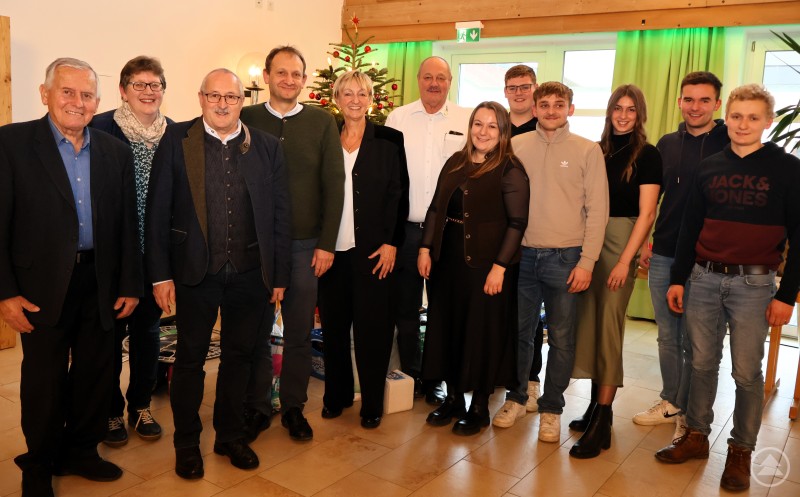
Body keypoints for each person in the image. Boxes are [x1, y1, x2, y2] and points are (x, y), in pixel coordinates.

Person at [0, 58, 141, 497]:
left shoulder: (115, 152)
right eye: (67, 92)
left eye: (87, 95)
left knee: (96, 374)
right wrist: (5, 293)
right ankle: (39, 463)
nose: (77, 102)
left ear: (98, 102)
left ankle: (81, 451)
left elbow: (126, 225)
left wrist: (130, 283)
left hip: (100, 282)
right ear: (45, 94)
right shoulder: (11, 143)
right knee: (43, 382)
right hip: (40, 287)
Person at [145, 68, 291, 479]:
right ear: (201, 98)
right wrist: (160, 276)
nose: (222, 104)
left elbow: (281, 215)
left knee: (239, 359)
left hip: (250, 272)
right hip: (195, 272)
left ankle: (229, 436)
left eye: (231, 97)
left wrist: (279, 276)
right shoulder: (176, 140)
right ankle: (186, 444)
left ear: (242, 100)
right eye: (214, 96)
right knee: (190, 360)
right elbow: (157, 211)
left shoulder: (266, 147)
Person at [655, 84, 800, 492]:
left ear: (767, 122)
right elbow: (690, 227)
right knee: (701, 363)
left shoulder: (788, 169)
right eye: (737, 116)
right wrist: (679, 278)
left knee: (746, 372)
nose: (743, 124)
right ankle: (696, 436)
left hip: (754, 284)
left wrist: (786, 295)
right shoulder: (710, 166)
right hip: (703, 278)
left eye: (753, 117)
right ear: (727, 118)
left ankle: (740, 450)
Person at [240, 46, 344, 442]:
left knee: (299, 331)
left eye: (296, 74)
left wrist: (327, 243)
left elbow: (335, 185)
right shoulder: (247, 117)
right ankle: (257, 405)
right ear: (267, 76)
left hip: (305, 245)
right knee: (257, 330)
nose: (288, 80)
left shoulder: (321, 122)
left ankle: (294, 407)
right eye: (281, 72)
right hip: (256, 247)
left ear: (304, 79)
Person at [498, 82, 609, 439]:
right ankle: (516, 397)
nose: (550, 111)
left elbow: (598, 211)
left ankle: (551, 408)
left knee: (561, 337)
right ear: (534, 109)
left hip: (566, 258)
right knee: (520, 333)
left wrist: (587, 262)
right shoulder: (515, 146)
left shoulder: (587, 150)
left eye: (558, 104)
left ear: (570, 109)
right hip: (523, 256)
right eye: (543, 105)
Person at [418, 101, 529, 436]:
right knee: (449, 328)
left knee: (482, 334)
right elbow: (435, 208)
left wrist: (499, 267)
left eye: (492, 126)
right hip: (448, 262)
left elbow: (517, 223)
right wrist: (425, 248)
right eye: (478, 124)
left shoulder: (510, 169)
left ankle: (479, 407)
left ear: (503, 131)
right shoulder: (456, 161)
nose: (483, 131)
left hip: (486, 266)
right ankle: (453, 399)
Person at [568, 85, 662, 458]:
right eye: (618, 108)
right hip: (589, 241)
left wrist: (626, 259)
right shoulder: (596, 150)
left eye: (631, 109)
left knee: (608, 327)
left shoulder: (648, 155)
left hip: (621, 242)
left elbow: (648, 213)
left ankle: (603, 418)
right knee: (589, 324)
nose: (623, 115)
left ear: (640, 115)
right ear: (609, 112)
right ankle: (594, 406)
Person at [635, 72, 730, 435]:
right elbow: (654, 198)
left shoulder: (729, 142)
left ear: (717, 104)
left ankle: (692, 412)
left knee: (698, 342)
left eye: (704, 100)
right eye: (689, 99)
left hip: (706, 258)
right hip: (664, 252)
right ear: (679, 102)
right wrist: (646, 242)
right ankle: (671, 401)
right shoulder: (667, 143)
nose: (695, 107)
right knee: (667, 335)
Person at [317, 71, 409, 429]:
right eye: (348, 93)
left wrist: (391, 243)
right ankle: (336, 396)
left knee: (374, 331)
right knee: (334, 330)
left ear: (371, 99)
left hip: (374, 253)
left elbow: (399, 194)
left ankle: (371, 403)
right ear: (337, 99)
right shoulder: (326, 138)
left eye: (362, 93)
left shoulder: (389, 139)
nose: (355, 100)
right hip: (331, 253)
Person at [90, 55, 173, 447]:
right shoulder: (99, 128)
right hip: (112, 255)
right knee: (109, 336)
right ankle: (109, 410)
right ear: (123, 90)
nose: (148, 91)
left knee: (148, 333)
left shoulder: (175, 135)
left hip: (155, 255)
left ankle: (140, 405)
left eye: (155, 84)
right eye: (139, 84)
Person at [385, 56, 472, 404]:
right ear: (418, 80)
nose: (434, 83)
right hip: (407, 231)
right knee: (405, 309)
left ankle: (440, 377)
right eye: (428, 77)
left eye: (441, 77)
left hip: (448, 233)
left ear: (450, 81)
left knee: (443, 308)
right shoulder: (398, 118)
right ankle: (414, 374)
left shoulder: (467, 119)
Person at [493, 64, 544, 427]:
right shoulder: (498, 129)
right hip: (501, 232)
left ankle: (531, 379)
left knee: (530, 314)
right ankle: (505, 371)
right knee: (505, 308)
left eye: (525, 86)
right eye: (513, 87)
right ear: (505, 91)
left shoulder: (545, 128)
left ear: (535, 89)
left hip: (535, 234)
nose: (519, 92)